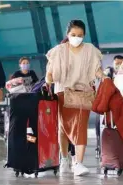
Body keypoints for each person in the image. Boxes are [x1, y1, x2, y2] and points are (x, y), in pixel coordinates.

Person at [45, 20, 105, 176]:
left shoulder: (90, 50)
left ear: (84, 35)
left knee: (80, 127)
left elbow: (96, 69)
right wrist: (48, 79)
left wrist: (104, 77)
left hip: (83, 93)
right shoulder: (58, 51)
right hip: (62, 93)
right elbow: (50, 72)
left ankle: (78, 162)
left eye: (80, 35)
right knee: (63, 128)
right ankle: (64, 159)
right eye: (73, 35)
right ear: (67, 34)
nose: (76, 38)